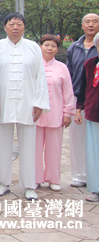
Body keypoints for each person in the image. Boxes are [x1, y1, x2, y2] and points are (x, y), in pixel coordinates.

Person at [0, 13, 50, 201]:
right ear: (5, 27)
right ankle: (2, 183)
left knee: (28, 146)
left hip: (28, 102)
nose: (15, 27)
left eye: (19, 24)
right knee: (3, 144)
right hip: (3, 102)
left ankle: (29, 185)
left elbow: (40, 76)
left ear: (24, 27)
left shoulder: (33, 48)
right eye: (11, 24)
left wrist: (39, 102)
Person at [36, 35, 75, 191]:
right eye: (46, 45)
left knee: (54, 149)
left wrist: (68, 113)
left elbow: (68, 92)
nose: (49, 48)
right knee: (34, 149)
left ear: (57, 49)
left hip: (56, 114)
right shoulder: (34, 65)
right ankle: (35, 178)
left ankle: (53, 179)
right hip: (35, 115)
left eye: (53, 46)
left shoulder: (62, 68)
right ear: (40, 46)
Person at [66, 13, 99, 188]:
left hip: (94, 99)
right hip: (77, 99)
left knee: (94, 140)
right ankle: (80, 176)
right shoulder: (74, 47)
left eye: (95, 21)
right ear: (82, 25)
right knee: (78, 139)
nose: (91, 24)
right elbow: (69, 73)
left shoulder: (98, 46)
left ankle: (95, 175)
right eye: (87, 21)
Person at [76, 32, 99, 202]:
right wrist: (79, 109)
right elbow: (82, 88)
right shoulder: (89, 64)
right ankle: (96, 189)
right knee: (94, 153)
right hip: (93, 113)